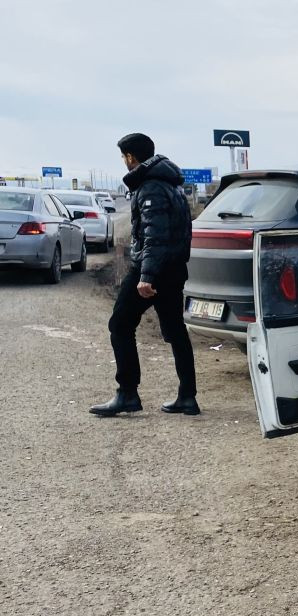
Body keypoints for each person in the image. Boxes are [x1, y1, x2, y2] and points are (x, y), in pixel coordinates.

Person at [90, 133, 198, 417]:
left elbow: (154, 236)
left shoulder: (150, 188)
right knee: (175, 331)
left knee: (120, 325)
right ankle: (187, 397)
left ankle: (127, 393)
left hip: (153, 269)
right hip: (174, 268)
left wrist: (146, 276)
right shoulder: (171, 185)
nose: (123, 162)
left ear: (130, 157)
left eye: (123, 157)